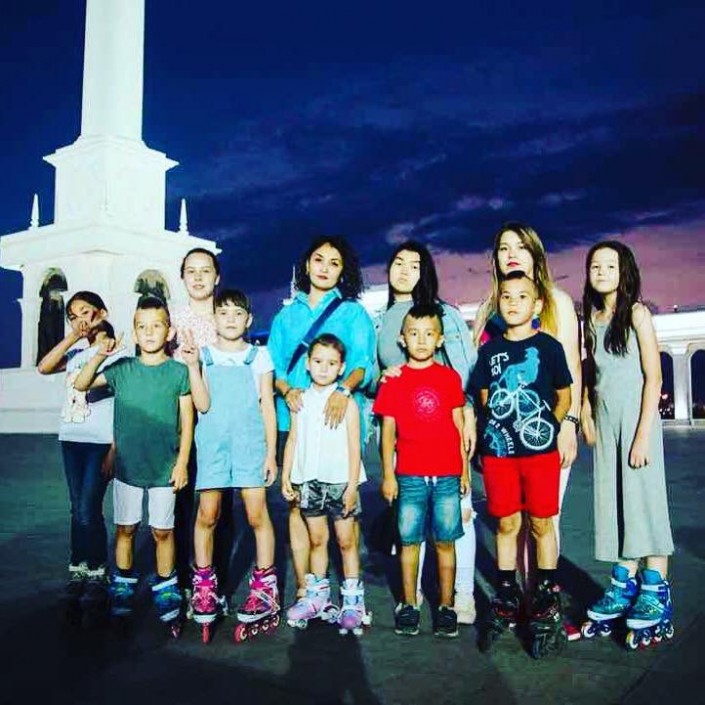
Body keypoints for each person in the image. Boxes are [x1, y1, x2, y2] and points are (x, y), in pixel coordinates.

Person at [74, 296, 194, 636]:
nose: (149, 332)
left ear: (169, 331)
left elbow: (187, 422)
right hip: (127, 468)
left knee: (162, 532)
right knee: (125, 529)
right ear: (135, 331)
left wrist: (182, 463)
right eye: (142, 326)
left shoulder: (178, 372)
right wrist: (101, 354)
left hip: (164, 468)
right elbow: (81, 384)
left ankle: (167, 589)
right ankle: (123, 586)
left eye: (157, 325)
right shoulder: (122, 369)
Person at [268, 236, 376, 606]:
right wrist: (287, 390)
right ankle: (306, 588)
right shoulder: (286, 316)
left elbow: (364, 363)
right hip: (294, 421)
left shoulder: (353, 313)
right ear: (306, 265)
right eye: (318, 259)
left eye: (334, 262)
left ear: (343, 271)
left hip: (339, 420)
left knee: (344, 510)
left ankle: (350, 591)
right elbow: (275, 366)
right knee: (298, 507)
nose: (325, 268)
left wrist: (344, 390)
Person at [374, 240, 478, 623]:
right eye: (398, 263)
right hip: (403, 435)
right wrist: (382, 377)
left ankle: (460, 596)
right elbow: (373, 375)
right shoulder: (382, 320)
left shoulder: (443, 313)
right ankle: (411, 597)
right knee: (409, 525)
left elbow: (465, 371)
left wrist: (468, 416)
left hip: (446, 431)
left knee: (458, 518)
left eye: (414, 265)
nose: (404, 271)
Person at [471, 272, 572, 658]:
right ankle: (506, 593)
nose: (513, 303)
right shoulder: (490, 351)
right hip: (500, 453)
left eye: (522, 296)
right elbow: (484, 396)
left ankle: (546, 594)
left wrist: (552, 425)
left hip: (540, 454)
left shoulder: (548, 347)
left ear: (537, 305)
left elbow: (564, 395)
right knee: (507, 524)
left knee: (542, 523)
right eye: (507, 296)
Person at [580, 241, 674, 649]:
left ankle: (655, 589)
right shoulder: (591, 318)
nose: (602, 272)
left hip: (638, 425)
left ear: (625, 272)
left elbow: (654, 378)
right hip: (607, 425)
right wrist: (585, 411)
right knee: (616, 503)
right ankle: (623, 584)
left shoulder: (637, 314)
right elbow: (591, 372)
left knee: (644, 502)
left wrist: (642, 435)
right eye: (595, 266)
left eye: (610, 265)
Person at [181, 289, 279, 643]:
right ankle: (205, 586)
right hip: (213, 446)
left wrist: (271, 454)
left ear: (248, 319)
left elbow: (267, 406)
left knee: (256, 514)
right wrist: (192, 367)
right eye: (224, 313)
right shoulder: (204, 356)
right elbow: (202, 405)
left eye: (238, 313)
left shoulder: (259, 357)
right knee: (207, 514)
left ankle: (266, 587)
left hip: (250, 445)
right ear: (214, 319)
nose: (231, 319)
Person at [473, 223, 581, 545]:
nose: (512, 254)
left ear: (535, 255)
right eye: (504, 248)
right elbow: (479, 377)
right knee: (509, 524)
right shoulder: (487, 309)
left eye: (521, 247)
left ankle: (543, 579)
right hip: (501, 438)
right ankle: (519, 581)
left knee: (543, 522)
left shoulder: (557, 302)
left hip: (543, 432)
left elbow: (572, 367)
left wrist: (568, 424)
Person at [38, 292, 123, 627]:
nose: (80, 320)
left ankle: (98, 572)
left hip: (100, 442)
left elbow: (124, 401)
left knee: (89, 507)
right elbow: (44, 366)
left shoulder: (117, 350)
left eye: (86, 312)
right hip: (71, 439)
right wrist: (73, 336)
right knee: (77, 509)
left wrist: (115, 448)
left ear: (102, 312)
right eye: (73, 316)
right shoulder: (75, 352)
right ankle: (79, 569)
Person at [281, 334, 369, 634]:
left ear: (341, 368)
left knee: (346, 541)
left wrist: (352, 486)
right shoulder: (300, 401)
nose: (323, 368)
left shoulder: (348, 403)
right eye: (318, 361)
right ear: (307, 364)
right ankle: (317, 597)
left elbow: (355, 447)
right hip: (309, 482)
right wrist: (286, 476)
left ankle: (353, 601)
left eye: (331, 363)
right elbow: (293, 439)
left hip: (341, 482)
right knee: (317, 540)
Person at [170, 247, 229, 596]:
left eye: (205, 270)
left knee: (219, 507)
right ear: (182, 277)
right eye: (190, 271)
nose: (197, 277)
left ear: (216, 277)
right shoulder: (172, 319)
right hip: (180, 420)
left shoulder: (227, 315)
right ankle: (178, 579)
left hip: (219, 420)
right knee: (179, 502)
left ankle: (216, 582)